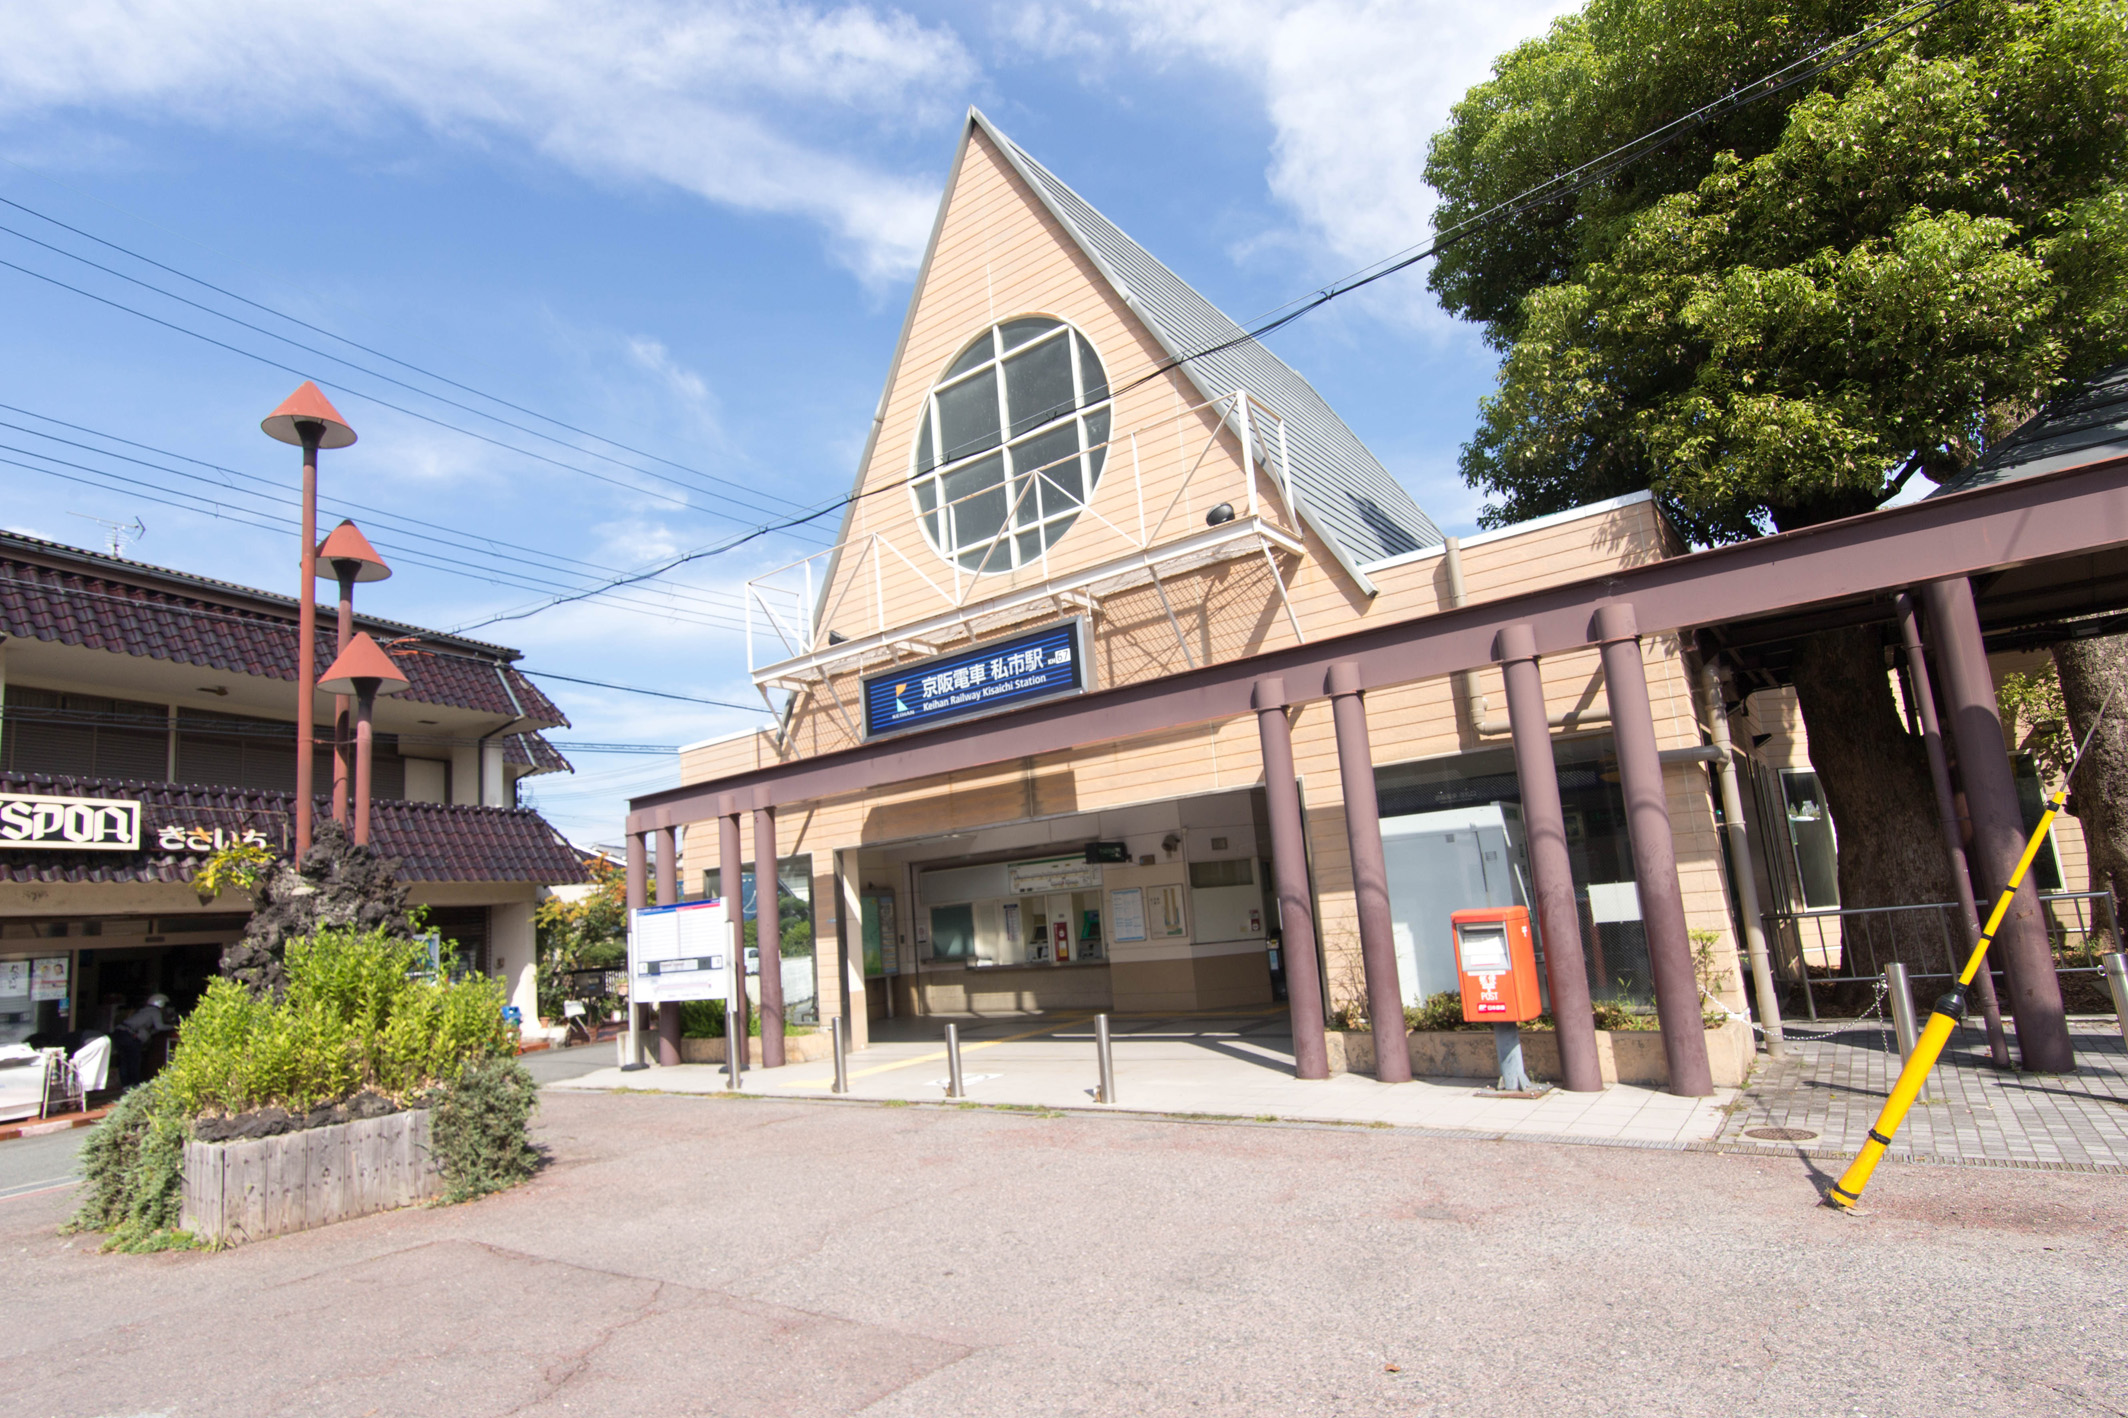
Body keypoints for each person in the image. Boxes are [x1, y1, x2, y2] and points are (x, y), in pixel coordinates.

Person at [114, 994, 169, 1087]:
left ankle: (125, 1085)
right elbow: (160, 1026)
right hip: (129, 1035)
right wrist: (175, 1026)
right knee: (134, 1061)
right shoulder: (154, 1011)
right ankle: (135, 1084)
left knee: (124, 1061)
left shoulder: (143, 1011)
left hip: (120, 1032)